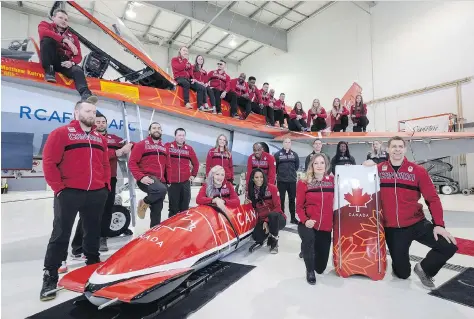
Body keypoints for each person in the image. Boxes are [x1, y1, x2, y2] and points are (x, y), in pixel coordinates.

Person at [364, 136, 457, 289]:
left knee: (448, 246)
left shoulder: (418, 171)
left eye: (400, 146)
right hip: (393, 229)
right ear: (387, 149)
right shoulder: (377, 170)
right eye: (394, 146)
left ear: (405, 149)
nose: (397, 150)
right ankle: (401, 265)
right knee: (402, 274)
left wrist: (439, 224)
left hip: (417, 223)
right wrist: (364, 167)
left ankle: (424, 269)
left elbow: (432, 199)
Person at [40, 100, 110, 301]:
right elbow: (49, 162)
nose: (92, 114)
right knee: (61, 232)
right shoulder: (61, 133)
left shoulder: (99, 138)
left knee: (92, 231)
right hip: (69, 192)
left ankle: (93, 266)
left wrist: (105, 186)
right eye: (88, 110)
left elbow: (105, 163)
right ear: (76, 112)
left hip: (96, 192)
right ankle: (50, 275)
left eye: (94, 111)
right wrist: (59, 188)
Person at [67, 111, 132, 270]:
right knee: (86, 214)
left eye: (104, 122)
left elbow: (130, 145)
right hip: (93, 179)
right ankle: (77, 246)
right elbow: (98, 154)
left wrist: (129, 145)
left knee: (107, 211)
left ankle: (102, 238)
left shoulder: (113, 139)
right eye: (99, 121)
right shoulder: (90, 137)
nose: (101, 124)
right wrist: (116, 153)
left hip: (110, 179)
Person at [38, 9, 96, 102]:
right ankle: (49, 71)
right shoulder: (45, 25)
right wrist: (65, 40)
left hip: (65, 62)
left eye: (66, 19)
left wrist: (71, 62)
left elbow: (78, 56)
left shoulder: (74, 37)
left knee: (78, 70)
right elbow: (44, 33)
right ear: (53, 18)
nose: (63, 21)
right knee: (47, 40)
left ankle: (86, 94)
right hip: (51, 58)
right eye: (60, 18)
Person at [297, 154, 334, 285]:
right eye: (316, 163)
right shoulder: (303, 182)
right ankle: (309, 271)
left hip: (325, 226)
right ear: (312, 165)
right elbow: (299, 207)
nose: (319, 166)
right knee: (309, 240)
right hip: (308, 224)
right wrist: (305, 220)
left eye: (322, 163)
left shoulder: (332, 181)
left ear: (326, 165)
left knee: (321, 268)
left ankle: (310, 255)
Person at [129, 122, 168, 227]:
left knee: (157, 209)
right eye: (154, 128)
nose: (157, 130)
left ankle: (154, 232)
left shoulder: (164, 147)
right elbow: (132, 162)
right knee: (162, 190)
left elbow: (167, 166)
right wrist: (140, 177)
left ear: (161, 131)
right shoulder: (142, 144)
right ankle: (144, 202)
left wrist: (167, 181)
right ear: (149, 131)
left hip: (160, 182)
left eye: (159, 128)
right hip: (146, 178)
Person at [245, 168, 286, 254]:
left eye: (261, 177)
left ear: (264, 177)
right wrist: (247, 204)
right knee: (257, 237)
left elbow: (278, 207)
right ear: (253, 179)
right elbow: (253, 209)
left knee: (272, 215)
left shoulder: (272, 188)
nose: (259, 179)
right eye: (256, 177)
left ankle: (274, 241)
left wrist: (267, 221)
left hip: (277, 218)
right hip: (263, 220)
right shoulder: (251, 192)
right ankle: (268, 234)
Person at [166, 128, 199, 217]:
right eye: (179, 135)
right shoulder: (168, 147)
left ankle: (183, 226)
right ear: (175, 136)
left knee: (185, 207)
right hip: (173, 183)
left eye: (183, 135)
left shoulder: (189, 149)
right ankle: (172, 227)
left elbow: (196, 163)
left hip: (185, 183)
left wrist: (193, 175)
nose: (181, 137)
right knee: (174, 208)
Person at [274, 138, 299, 224]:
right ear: (283, 143)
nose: (287, 144)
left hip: (292, 181)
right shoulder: (277, 155)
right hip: (281, 181)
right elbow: (275, 168)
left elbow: (297, 166)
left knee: (292, 199)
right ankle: (282, 218)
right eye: (286, 142)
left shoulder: (295, 155)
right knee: (281, 199)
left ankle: (293, 218)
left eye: (289, 142)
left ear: (291, 144)